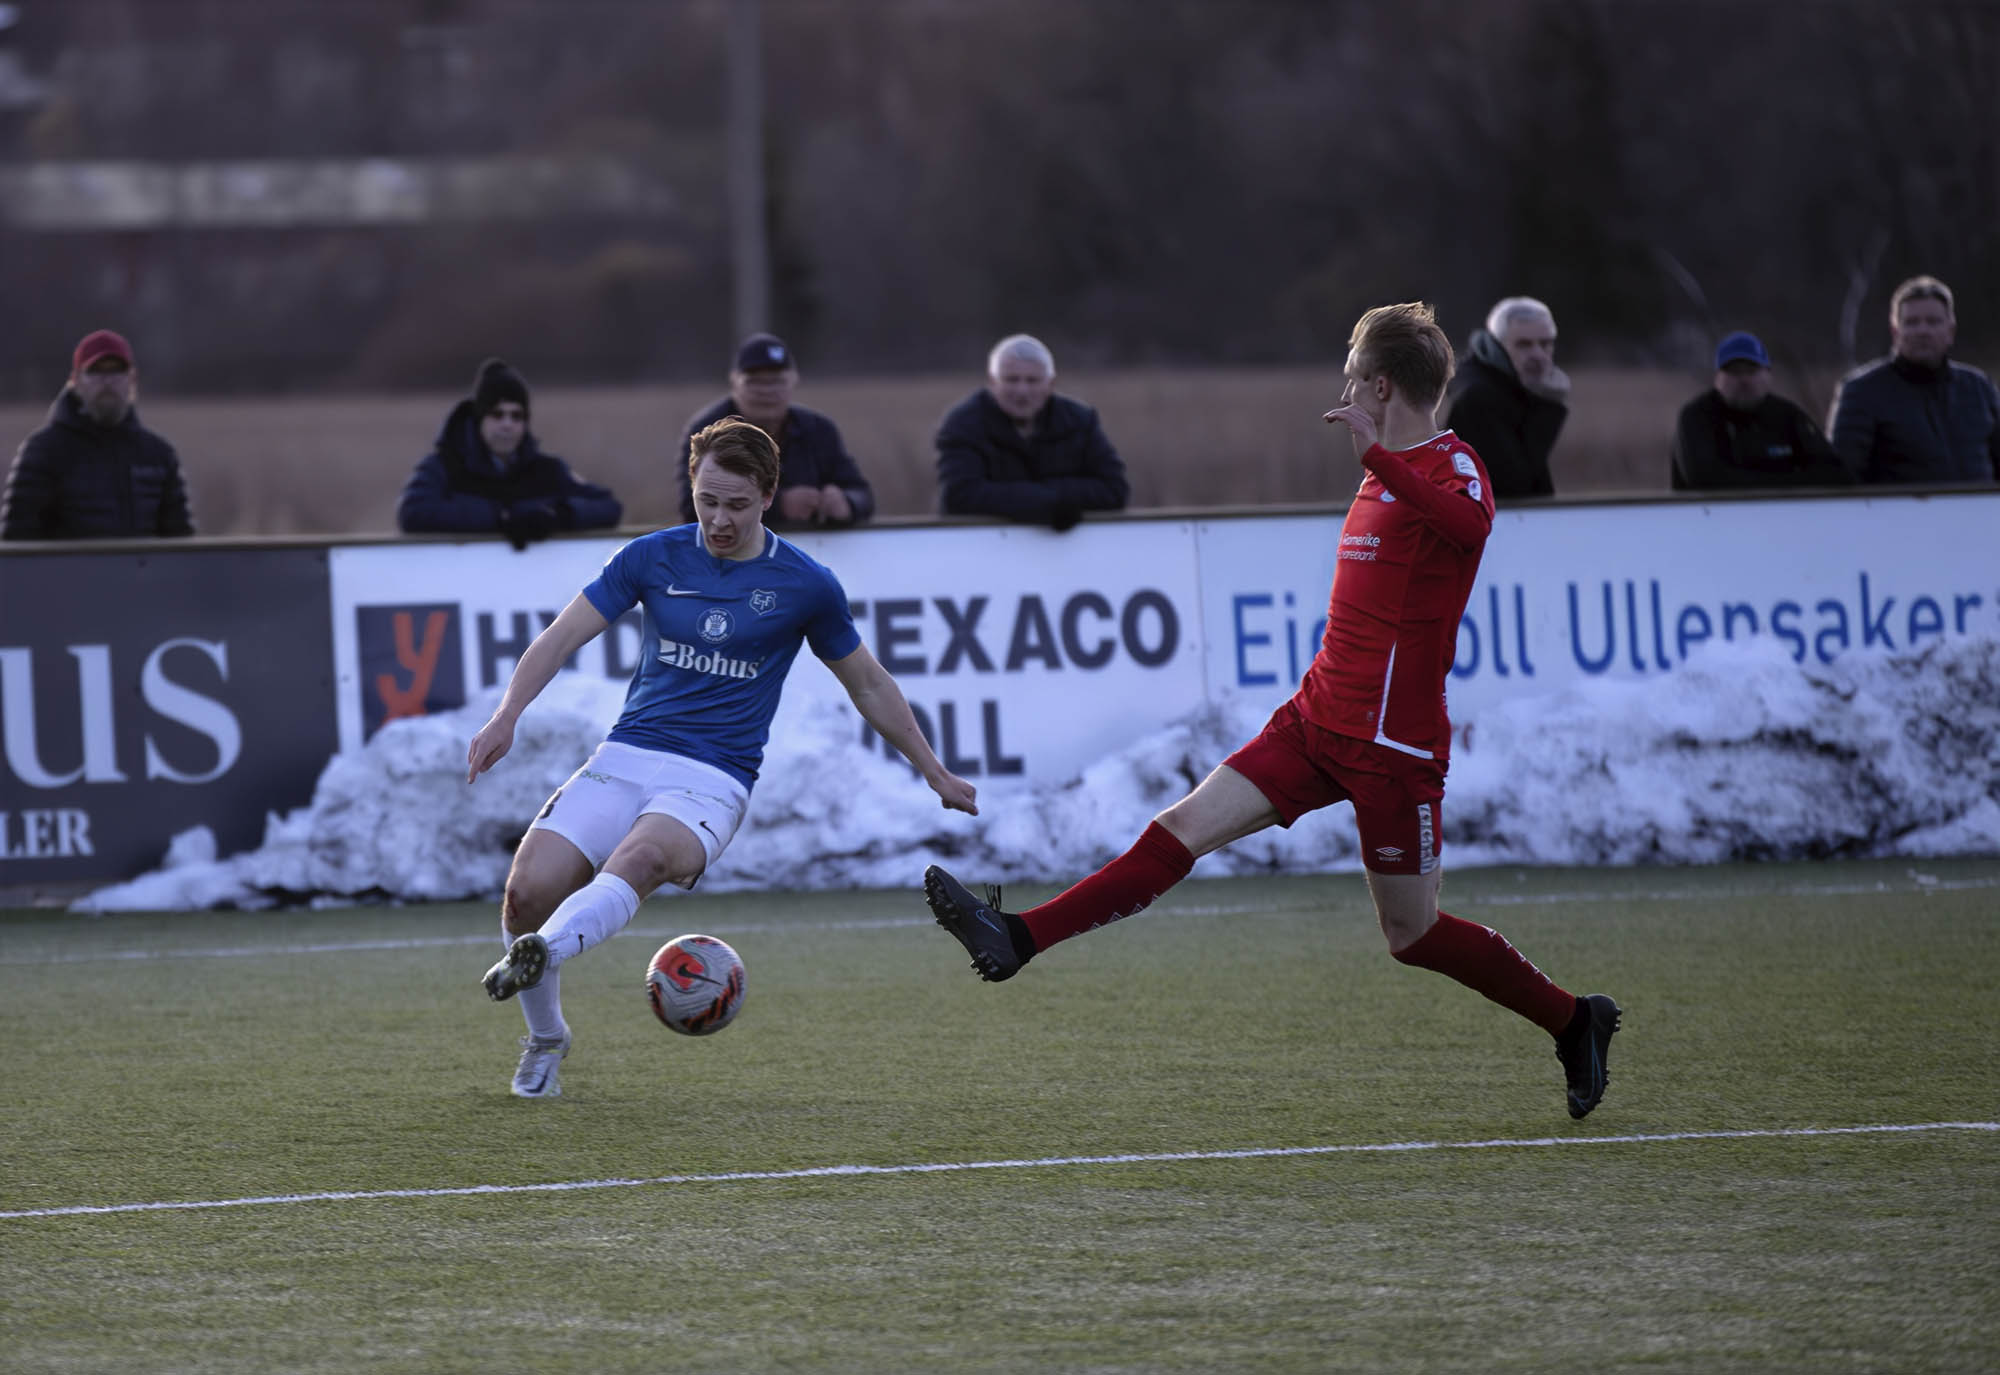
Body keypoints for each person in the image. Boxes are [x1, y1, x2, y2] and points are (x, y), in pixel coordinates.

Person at [922, 302, 1621, 1121]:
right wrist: (1376, 463)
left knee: (1415, 936)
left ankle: (1577, 1019)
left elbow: (1470, 528)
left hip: (1393, 746)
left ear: (1381, 384)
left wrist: (1381, 462)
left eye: (1354, 372)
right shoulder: (1382, 468)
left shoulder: (1449, 465)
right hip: (1316, 718)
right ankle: (1018, 937)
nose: (1345, 386)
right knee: (1177, 829)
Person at [471, 417, 979, 1098]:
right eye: (708, 500)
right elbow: (561, 638)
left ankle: (545, 953)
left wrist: (933, 768)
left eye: (737, 504)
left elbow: (868, 683)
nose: (719, 518)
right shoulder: (652, 557)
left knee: (642, 859)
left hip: (712, 777)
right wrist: (507, 714)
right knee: (527, 891)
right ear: (693, 488)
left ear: (768, 495)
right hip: (627, 753)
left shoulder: (806, 584)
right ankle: (547, 1036)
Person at [397, 358, 623, 547]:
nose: (507, 424)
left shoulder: (548, 470)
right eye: (497, 414)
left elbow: (609, 507)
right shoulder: (442, 466)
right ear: (479, 420)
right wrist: (500, 518)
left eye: (517, 416)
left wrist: (556, 516)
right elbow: (413, 513)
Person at [1, 329, 195, 540]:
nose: (107, 381)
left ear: (132, 379)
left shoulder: (159, 456)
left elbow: (181, 546)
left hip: (142, 574)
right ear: (75, 380)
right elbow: (17, 545)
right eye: (96, 371)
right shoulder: (42, 453)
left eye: (117, 371)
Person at [676, 332, 875, 530]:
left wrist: (847, 504)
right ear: (734, 381)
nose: (767, 391)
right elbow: (690, 508)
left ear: (794, 381)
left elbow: (863, 495)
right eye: (755, 382)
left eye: (777, 381)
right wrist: (777, 506)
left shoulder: (819, 430)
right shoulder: (706, 430)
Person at [934, 333, 1129, 531]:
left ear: (1050, 384)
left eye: (1032, 380)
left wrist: (1034, 498)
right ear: (993, 382)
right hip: (981, 549)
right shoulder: (963, 424)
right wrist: (1050, 503)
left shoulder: (1081, 421)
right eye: (1012, 380)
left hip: (1066, 553)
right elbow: (960, 496)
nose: (1022, 391)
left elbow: (1115, 490)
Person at [1826, 275, 2000, 485]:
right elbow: (1842, 479)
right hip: (1899, 515)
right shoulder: (1861, 393)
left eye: (1933, 321)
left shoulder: (1979, 389)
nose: (1922, 331)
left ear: (1950, 331)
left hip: (1979, 515)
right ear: (1895, 332)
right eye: (1911, 322)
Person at [1670, 332, 1852, 491]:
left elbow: (1835, 473)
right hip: (1712, 521)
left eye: (1751, 370)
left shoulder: (1787, 416)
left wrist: (1766, 485)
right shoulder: (1696, 417)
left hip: (1780, 520)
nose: (1743, 380)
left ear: (1768, 375)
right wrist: (1789, 481)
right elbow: (1705, 480)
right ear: (1717, 378)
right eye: (1734, 372)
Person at [1442, 296, 1568, 500]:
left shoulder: (1512, 386)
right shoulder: (1478, 399)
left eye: (1545, 344)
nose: (1538, 354)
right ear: (1496, 346)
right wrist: (1546, 406)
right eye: (1524, 345)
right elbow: (1516, 488)